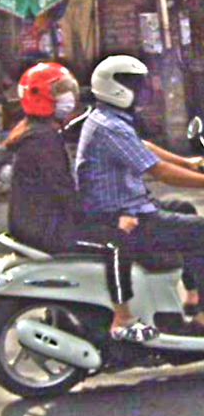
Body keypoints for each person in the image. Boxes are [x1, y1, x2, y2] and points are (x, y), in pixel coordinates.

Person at [4, 62, 157, 341]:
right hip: (46, 229)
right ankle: (123, 319)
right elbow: (64, 195)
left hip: (37, 222)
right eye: (59, 91)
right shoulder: (42, 141)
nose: (68, 97)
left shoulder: (40, 131)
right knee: (116, 243)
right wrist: (112, 219)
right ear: (40, 97)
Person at [75, 54, 204, 336]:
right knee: (200, 231)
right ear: (116, 87)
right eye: (136, 84)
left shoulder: (109, 118)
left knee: (184, 208)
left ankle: (193, 297)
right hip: (123, 217)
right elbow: (160, 172)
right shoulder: (110, 126)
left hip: (130, 207)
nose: (143, 91)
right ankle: (202, 317)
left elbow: (143, 147)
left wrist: (188, 163)